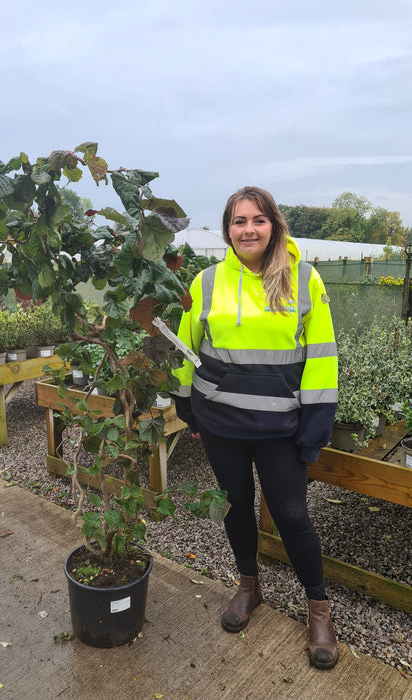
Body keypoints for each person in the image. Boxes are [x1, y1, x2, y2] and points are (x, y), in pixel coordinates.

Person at [171, 186, 339, 670]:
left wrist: (315, 425)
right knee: (235, 506)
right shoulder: (205, 283)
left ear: (273, 226)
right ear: (228, 229)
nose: (248, 229)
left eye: (258, 220)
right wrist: (187, 405)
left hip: (281, 428)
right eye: (239, 221)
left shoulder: (304, 280)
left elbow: (323, 356)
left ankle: (319, 609)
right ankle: (249, 586)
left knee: (292, 516)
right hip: (222, 423)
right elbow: (188, 347)